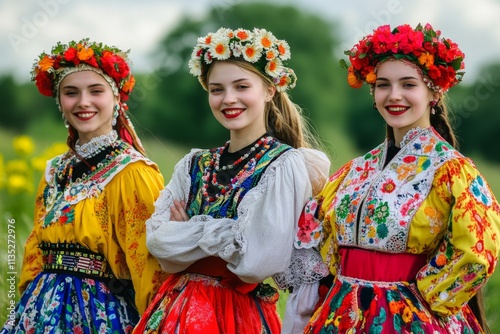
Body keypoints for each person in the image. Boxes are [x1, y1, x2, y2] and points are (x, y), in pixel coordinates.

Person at [296, 23, 500, 333]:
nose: (394, 95)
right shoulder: (354, 170)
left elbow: (477, 250)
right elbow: (320, 234)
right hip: (341, 313)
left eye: (408, 84)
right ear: (372, 92)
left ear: (434, 90)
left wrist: (424, 298)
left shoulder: (451, 170)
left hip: (408, 316)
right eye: (383, 85)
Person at [133, 27, 330, 333]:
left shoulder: (284, 165)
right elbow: (159, 244)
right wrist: (234, 233)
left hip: (235, 314)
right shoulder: (193, 164)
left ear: (268, 90)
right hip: (176, 308)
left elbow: (257, 262)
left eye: (241, 86)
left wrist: (190, 228)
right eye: (217, 89)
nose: (229, 99)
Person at [1, 39, 167, 333]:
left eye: (96, 91)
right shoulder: (54, 170)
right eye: (71, 93)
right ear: (59, 101)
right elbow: (34, 252)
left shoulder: (132, 172)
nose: (83, 102)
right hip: (38, 308)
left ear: (116, 99)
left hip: (98, 313)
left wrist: (155, 326)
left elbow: (148, 265)